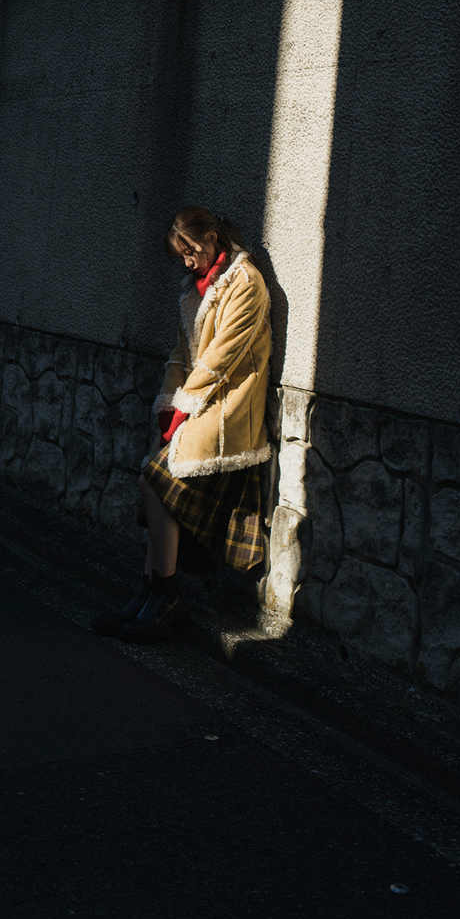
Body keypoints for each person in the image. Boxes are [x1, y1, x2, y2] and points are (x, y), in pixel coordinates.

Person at [91, 206, 273, 642]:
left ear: (212, 237)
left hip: (228, 408)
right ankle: (152, 592)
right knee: (153, 489)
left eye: (191, 251)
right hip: (200, 403)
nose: (188, 262)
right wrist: (168, 400)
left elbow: (221, 357)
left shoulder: (245, 282)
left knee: (154, 483)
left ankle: (164, 596)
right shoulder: (195, 290)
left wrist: (184, 406)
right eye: (182, 256)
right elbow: (181, 353)